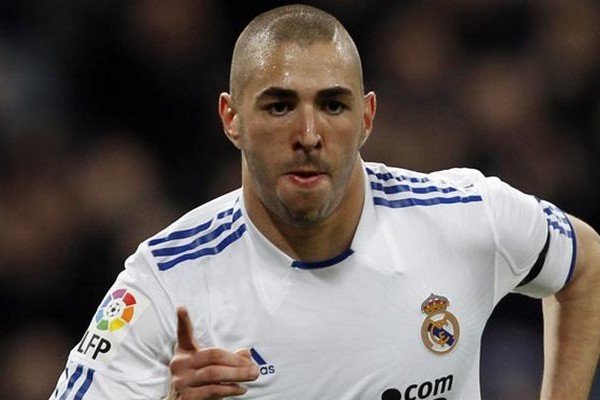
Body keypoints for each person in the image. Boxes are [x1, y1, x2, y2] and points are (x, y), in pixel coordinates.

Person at [51, 4, 600, 400]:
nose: (309, 135)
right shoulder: (165, 284)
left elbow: (586, 262)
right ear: (231, 118)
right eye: (279, 106)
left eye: (333, 106)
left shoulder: (464, 215)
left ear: (366, 118)